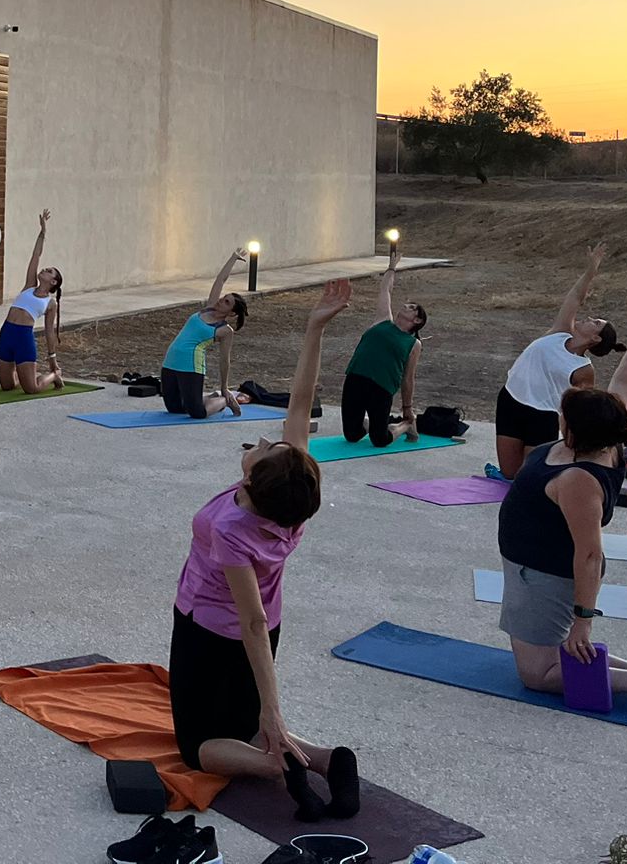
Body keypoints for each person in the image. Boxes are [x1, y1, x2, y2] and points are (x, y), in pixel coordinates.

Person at [168, 279, 360, 824]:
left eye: (262, 449)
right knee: (246, 722)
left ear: (251, 482)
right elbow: (301, 400)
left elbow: (247, 620)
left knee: (200, 747)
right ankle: (327, 759)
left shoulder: (233, 525)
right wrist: (314, 328)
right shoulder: (292, 489)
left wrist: (274, 708)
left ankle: (278, 765)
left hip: (210, 630)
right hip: (263, 629)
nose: (262, 442)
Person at [495, 286, 627, 717]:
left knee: (538, 673)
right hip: (531, 568)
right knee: (552, 651)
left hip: (544, 575)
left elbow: (590, 554)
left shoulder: (579, 479)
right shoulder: (605, 435)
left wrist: (583, 620)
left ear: (573, 429)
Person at [488, 244, 623, 481]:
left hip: (542, 415)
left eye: (596, 323)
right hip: (510, 400)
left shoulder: (583, 370)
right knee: (510, 472)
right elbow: (576, 297)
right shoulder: (560, 332)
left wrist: (574, 440)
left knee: (531, 474)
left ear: (595, 339)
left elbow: (581, 408)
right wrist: (591, 270)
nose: (589, 318)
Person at [340, 240, 427, 447]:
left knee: (380, 440)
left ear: (417, 320)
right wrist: (391, 267)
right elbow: (385, 291)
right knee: (352, 435)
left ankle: (406, 425)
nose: (406, 306)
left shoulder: (413, 344)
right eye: (407, 304)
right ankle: (374, 424)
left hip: (382, 387)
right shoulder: (383, 321)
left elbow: (408, 377)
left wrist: (407, 407)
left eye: (412, 307)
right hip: (356, 378)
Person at [158, 247, 248, 418]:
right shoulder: (209, 307)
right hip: (171, 360)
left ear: (231, 313)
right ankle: (212, 397)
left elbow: (224, 360)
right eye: (224, 298)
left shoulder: (225, 330)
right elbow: (220, 280)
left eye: (226, 302)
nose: (221, 300)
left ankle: (224, 400)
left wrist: (224, 387)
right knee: (174, 408)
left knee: (197, 412)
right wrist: (233, 258)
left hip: (191, 365)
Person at [0, 209, 64, 393]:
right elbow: (36, 256)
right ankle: (23, 373)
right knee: (7, 386)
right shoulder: (29, 286)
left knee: (31, 389)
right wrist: (43, 232)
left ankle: (54, 375)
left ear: (53, 282)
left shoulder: (50, 303)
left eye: (49, 271)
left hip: (23, 337)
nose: (45, 269)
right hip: (7, 332)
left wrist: (52, 359)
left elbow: (49, 332)